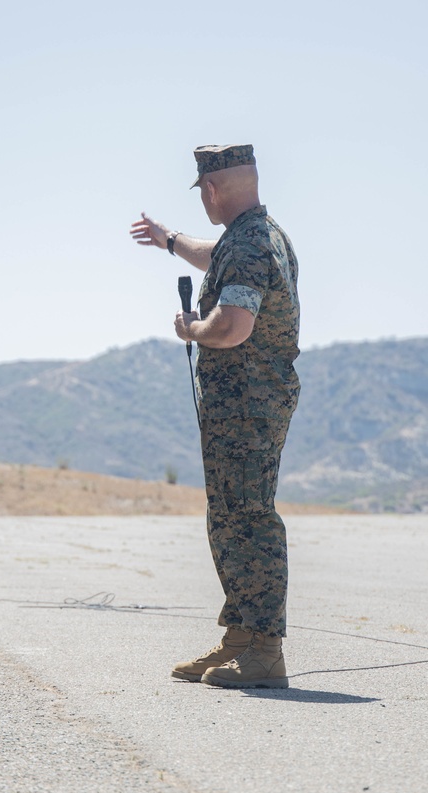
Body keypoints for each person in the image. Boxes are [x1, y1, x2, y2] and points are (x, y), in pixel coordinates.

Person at [130, 144, 300, 689]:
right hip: (241, 407)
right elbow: (216, 256)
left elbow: (232, 327)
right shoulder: (252, 237)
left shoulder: (250, 244)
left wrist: (190, 329)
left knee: (248, 518)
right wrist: (170, 241)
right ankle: (241, 639)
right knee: (230, 517)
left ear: (211, 189)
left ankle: (264, 650)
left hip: (248, 406)